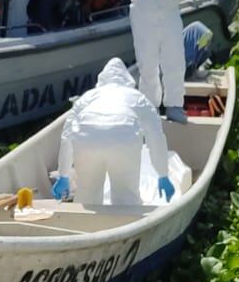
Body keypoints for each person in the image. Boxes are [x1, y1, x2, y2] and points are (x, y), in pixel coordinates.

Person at [51, 58, 175, 207]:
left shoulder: (86, 97)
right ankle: (128, 225)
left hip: (86, 142)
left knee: (87, 194)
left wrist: (63, 174)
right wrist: (163, 174)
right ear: (127, 80)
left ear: (102, 79)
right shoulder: (138, 98)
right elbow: (156, 136)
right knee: (126, 196)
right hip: (123, 142)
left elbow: (67, 136)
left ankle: (86, 226)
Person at [113, 0, 192, 122]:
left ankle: (174, 105)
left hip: (169, 17)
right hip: (143, 18)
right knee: (147, 64)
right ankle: (151, 107)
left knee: (174, 62)